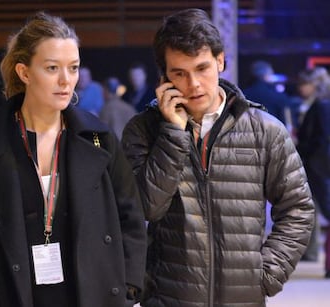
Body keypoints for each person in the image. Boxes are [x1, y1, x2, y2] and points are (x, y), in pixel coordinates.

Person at [122, 8, 315, 306]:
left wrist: (265, 274)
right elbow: (145, 210)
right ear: (164, 76)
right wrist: (173, 134)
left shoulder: (265, 131)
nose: (194, 84)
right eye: (180, 73)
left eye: (202, 68)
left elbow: (298, 209)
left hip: (243, 298)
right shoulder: (142, 130)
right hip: (169, 297)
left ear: (220, 61)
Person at [0, 11, 146, 307]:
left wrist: (129, 287)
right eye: (52, 68)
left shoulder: (99, 137)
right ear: (25, 73)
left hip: (91, 293)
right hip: (17, 293)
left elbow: (130, 216)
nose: (65, 80)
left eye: (73, 68)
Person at [297, 69, 330, 278]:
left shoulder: (320, 106)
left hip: (319, 165)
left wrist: (304, 152)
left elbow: (320, 139)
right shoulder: (319, 105)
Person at [243, 60, 296, 129]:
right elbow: (288, 124)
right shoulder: (279, 97)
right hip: (273, 136)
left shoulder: (243, 95)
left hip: (247, 137)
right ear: (267, 75)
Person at [99, 76, 137, 141]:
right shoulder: (129, 108)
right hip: (129, 147)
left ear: (106, 91)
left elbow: (102, 132)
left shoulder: (106, 109)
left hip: (113, 147)